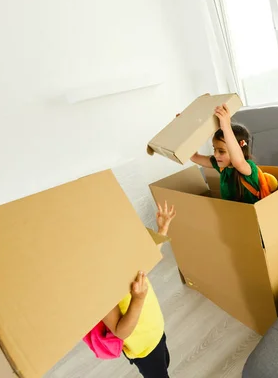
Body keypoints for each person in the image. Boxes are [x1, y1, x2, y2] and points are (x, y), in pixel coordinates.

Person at [102, 202, 176, 378]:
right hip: (144, 349)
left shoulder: (122, 260)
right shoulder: (102, 287)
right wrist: (138, 299)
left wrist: (162, 229)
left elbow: (148, 261)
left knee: (165, 360)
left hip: (156, 330)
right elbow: (120, 331)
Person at [190, 104, 262, 204]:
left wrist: (226, 126)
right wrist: (188, 131)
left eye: (221, 151)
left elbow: (238, 162)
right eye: (214, 149)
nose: (215, 155)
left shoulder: (248, 167)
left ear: (239, 148)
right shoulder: (223, 167)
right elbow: (194, 157)